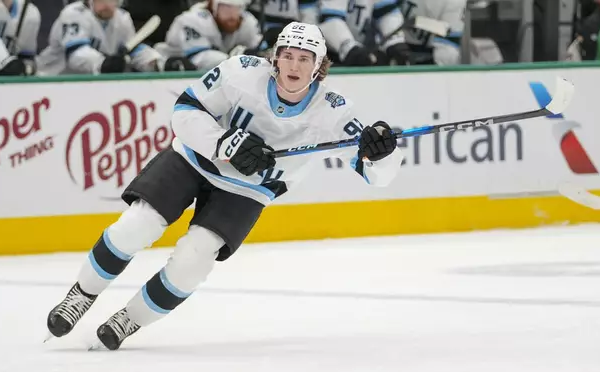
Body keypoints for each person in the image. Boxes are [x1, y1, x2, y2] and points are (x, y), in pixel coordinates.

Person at [45, 22, 405, 351]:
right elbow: (185, 110)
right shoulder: (241, 72)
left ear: (319, 66)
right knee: (135, 225)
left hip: (248, 189)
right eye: (287, 56)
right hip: (193, 159)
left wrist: (383, 153)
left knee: (193, 261)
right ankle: (81, 295)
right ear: (275, 58)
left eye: (304, 59)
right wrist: (223, 142)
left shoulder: (333, 111)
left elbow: (378, 175)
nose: (294, 66)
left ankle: (129, 320)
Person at [35, 0, 190, 75]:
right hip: (50, 81)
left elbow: (134, 50)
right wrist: (102, 63)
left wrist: (158, 63)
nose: (107, 4)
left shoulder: (122, 18)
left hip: (87, 86)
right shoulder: (74, 13)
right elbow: (76, 56)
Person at [154, 0, 262, 71]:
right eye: (227, 6)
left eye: (238, 7)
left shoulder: (246, 22)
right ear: (214, 5)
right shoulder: (192, 19)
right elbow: (199, 59)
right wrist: (236, 58)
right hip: (166, 73)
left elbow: (257, 50)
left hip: (215, 78)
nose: (233, 14)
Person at [319, 0, 412, 66]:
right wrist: (350, 49)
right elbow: (330, 21)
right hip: (326, 56)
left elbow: (386, 13)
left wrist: (395, 42)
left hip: (361, 50)